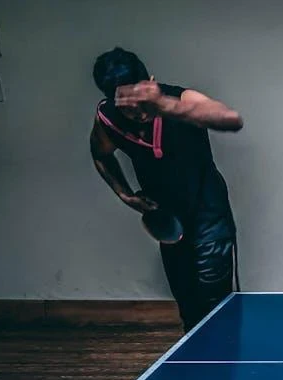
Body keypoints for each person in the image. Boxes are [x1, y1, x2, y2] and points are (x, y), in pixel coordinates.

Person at [89, 47, 244, 332]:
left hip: (209, 218)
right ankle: (198, 372)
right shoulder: (108, 119)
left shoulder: (181, 99)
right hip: (170, 223)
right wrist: (125, 194)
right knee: (189, 307)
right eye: (126, 104)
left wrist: (163, 104)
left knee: (217, 308)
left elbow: (230, 119)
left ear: (150, 82)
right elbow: (101, 154)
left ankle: (225, 369)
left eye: (140, 100)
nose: (136, 112)